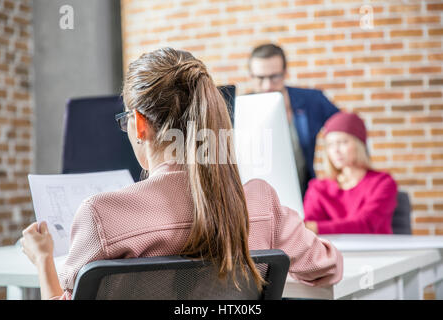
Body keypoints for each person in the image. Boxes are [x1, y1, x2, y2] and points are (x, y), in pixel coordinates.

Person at [20, 47, 343, 300]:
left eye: (126, 122)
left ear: (140, 123)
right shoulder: (260, 203)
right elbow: (328, 266)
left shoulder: (100, 215)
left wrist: (43, 259)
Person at [249, 43, 339, 197]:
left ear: (285, 73)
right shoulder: (240, 108)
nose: (267, 85)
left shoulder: (311, 100)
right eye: (260, 78)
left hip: (303, 194)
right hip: (257, 200)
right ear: (251, 75)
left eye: (274, 77)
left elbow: (346, 126)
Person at [303, 112, 398, 235]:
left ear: (359, 144)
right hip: (330, 253)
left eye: (342, 142)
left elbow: (366, 225)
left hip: (375, 252)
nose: (336, 150)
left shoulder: (383, 182)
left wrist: (316, 228)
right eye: (330, 144)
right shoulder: (318, 187)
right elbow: (307, 227)